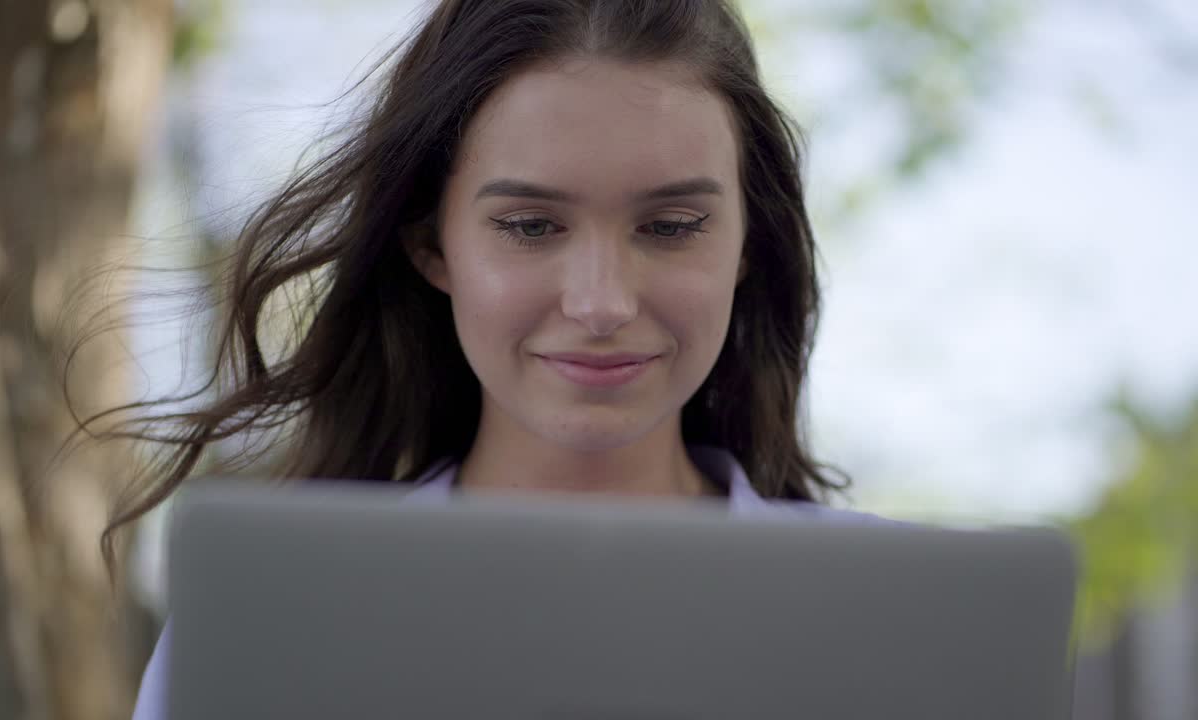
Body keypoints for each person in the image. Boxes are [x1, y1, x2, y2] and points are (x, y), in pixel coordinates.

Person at [107, 1, 896, 717]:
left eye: (672, 225)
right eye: (529, 226)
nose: (601, 303)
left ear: (748, 243)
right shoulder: (274, 620)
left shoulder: (891, 612)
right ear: (430, 245)